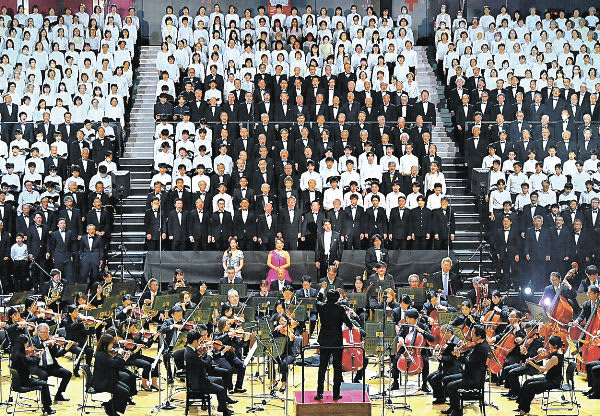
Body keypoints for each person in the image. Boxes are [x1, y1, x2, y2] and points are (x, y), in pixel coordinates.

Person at [314, 289, 356, 401]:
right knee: (337, 368)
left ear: (327, 298)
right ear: (337, 299)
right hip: (336, 341)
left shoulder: (322, 307)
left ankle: (319, 393)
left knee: (322, 367)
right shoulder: (340, 309)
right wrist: (353, 326)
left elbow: (317, 301)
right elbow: (348, 323)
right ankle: (336, 394)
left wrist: (321, 290)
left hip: (324, 340)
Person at [184, 330, 235, 416]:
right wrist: (208, 355)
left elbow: (200, 362)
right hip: (198, 383)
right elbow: (206, 364)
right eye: (199, 341)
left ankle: (221, 407)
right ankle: (225, 413)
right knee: (221, 390)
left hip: (199, 378)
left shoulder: (190, 350)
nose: (200, 343)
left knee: (219, 380)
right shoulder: (191, 354)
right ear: (195, 341)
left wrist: (207, 354)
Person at [443, 325, 490, 416]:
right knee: (446, 379)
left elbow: (469, 363)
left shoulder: (481, 348)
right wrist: (461, 353)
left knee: (451, 386)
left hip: (473, 379)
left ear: (479, 336)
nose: (470, 335)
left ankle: (457, 411)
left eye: (472, 333)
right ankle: (453, 406)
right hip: (469, 374)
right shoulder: (478, 345)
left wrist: (459, 356)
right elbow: (469, 358)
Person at [516, 336, 564, 416]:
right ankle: (521, 406)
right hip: (549, 378)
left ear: (555, 345)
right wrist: (533, 358)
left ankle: (524, 410)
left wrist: (532, 364)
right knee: (527, 382)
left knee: (530, 386)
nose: (548, 346)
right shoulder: (557, 352)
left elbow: (544, 369)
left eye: (550, 344)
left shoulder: (555, 357)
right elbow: (543, 357)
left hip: (553, 382)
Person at [10, 334, 55, 414]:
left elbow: (27, 361)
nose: (28, 345)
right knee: (44, 384)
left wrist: (31, 357)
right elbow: (32, 363)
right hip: (24, 382)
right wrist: (39, 356)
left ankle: (46, 406)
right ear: (24, 344)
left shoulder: (15, 354)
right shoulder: (21, 356)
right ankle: (47, 408)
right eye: (27, 343)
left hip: (17, 382)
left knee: (42, 382)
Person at [391, 308, 434, 391]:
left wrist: (422, 331)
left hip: (419, 350)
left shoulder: (423, 326)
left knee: (425, 361)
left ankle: (425, 384)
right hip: (406, 349)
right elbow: (400, 335)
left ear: (416, 319)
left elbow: (431, 338)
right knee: (395, 359)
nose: (407, 320)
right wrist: (400, 338)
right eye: (406, 318)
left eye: (409, 318)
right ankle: (395, 382)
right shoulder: (404, 325)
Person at [92, 333, 134, 416]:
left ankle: (110, 407)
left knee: (127, 389)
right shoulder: (101, 355)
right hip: (102, 383)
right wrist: (119, 354)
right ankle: (110, 409)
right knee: (124, 392)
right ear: (106, 344)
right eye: (111, 343)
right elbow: (114, 364)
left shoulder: (104, 353)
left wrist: (124, 359)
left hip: (109, 379)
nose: (112, 345)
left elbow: (115, 365)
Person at [30, 323, 73, 402]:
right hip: (38, 367)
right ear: (38, 332)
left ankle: (59, 395)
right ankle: (46, 403)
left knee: (68, 374)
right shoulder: (33, 340)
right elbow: (37, 347)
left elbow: (57, 355)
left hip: (51, 366)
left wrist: (66, 349)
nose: (46, 334)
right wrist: (45, 343)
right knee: (44, 376)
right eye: (43, 332)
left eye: (47, 332)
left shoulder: (51, 340)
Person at [428, 324, 462, 404]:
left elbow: (452, 359)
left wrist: (441, 357)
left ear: (449, 332)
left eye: (443, 333)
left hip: (452, 369)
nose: (441, 335)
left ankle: (441, 398)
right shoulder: (447, 342)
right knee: (429, 377)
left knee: (434, 379)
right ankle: (441, 396)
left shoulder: (455, 342)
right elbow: (444, 355)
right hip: (444, 367)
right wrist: (438, 352)